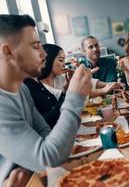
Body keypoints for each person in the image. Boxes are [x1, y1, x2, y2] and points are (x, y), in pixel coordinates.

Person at [0, 14, 92, 184]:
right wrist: (74, 97)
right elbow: (48, 157)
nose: (43, 54)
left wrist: (35, 162)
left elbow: (45, 135)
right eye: (35, 46)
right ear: (8, 51)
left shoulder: (22, 89)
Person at [24, 44, 122, 128]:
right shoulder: (31, 86)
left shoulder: (59, 77)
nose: (64, 64)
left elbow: (86, 86)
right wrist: (103, 89)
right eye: (61, 60)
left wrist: (107, 85)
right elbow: (73, 96)